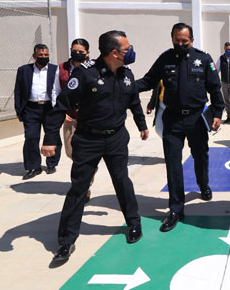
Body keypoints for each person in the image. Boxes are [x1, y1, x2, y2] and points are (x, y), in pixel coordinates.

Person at [41, 30, 149, 261]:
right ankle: (66, 242)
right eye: (126, 49)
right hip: (89, 140)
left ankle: (133, 223)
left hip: (117, 138)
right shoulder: (84, 75)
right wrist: (50, 138)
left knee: (122, 180)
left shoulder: (126, 75)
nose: (130, 52)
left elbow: (134, 101)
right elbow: (61, 105)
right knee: (79, 188)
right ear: (114, 53)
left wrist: (142, 124)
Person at [135, 23, 224, 232]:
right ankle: (176, 209)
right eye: (177, 40)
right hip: (172, 120)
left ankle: (203, 184)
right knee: (173, 164)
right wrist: (126, 85)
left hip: (196, 119)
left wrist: (218, 113)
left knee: (200, 155)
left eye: (185, 41)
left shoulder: (203, 59)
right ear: (172, 38)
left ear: (191, 40)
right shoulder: (165, 58)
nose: (181, 44)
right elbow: (148, 80)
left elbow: (215, 88)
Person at [14, 44, 62, 180]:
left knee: (52, 136)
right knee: (30, 137)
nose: (43, 57)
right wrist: (18, 110)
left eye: (46, 55)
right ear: (34, 56)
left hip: (50, 108)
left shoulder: (55, 69)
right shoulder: (24, 70)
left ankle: (52, 163)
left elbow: (60, 89)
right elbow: (18, 90)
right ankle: (34, 166)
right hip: (30, 109)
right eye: (41, 55)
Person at [58, 38, 97, 202]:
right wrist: (61, 112)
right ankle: (88, 169)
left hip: (88, 119)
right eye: (75, 50)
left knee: (84, 155)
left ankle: (85, 186)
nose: (77, 54)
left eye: (81, 52)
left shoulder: (94, 68)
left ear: (87, 53)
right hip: (69, 117)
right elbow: (55, 92)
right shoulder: (61, 69)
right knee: (70, 152)